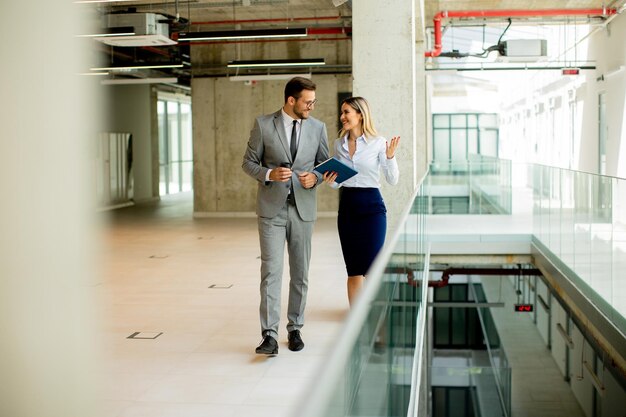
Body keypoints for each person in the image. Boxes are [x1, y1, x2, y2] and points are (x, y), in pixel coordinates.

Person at [242, 77, 330, 355]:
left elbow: (325, 165)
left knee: (300, 273)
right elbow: (248, 162)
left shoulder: (318, 128)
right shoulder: (263, 124)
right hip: (271, 210)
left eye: (314, 102)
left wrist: (314, 178)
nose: (312, 107)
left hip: (303, 210)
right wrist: (268, 174)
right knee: (271, 272)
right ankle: (269, 334)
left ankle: (295, 329)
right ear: (291, 100)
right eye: (308, 102)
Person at [323, 96, 400, 306]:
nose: (342, 117)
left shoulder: (378, 143)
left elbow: (392, 180)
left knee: (373, 268)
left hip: (372, 209)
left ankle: (374, 314)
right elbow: (337, 183)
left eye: (346, 112)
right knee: (354, 269)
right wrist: (330, 181)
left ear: (360, 114)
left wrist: (391, 158)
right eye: (342, 112)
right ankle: (355, 319)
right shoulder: (339, 144)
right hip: (348, 208)